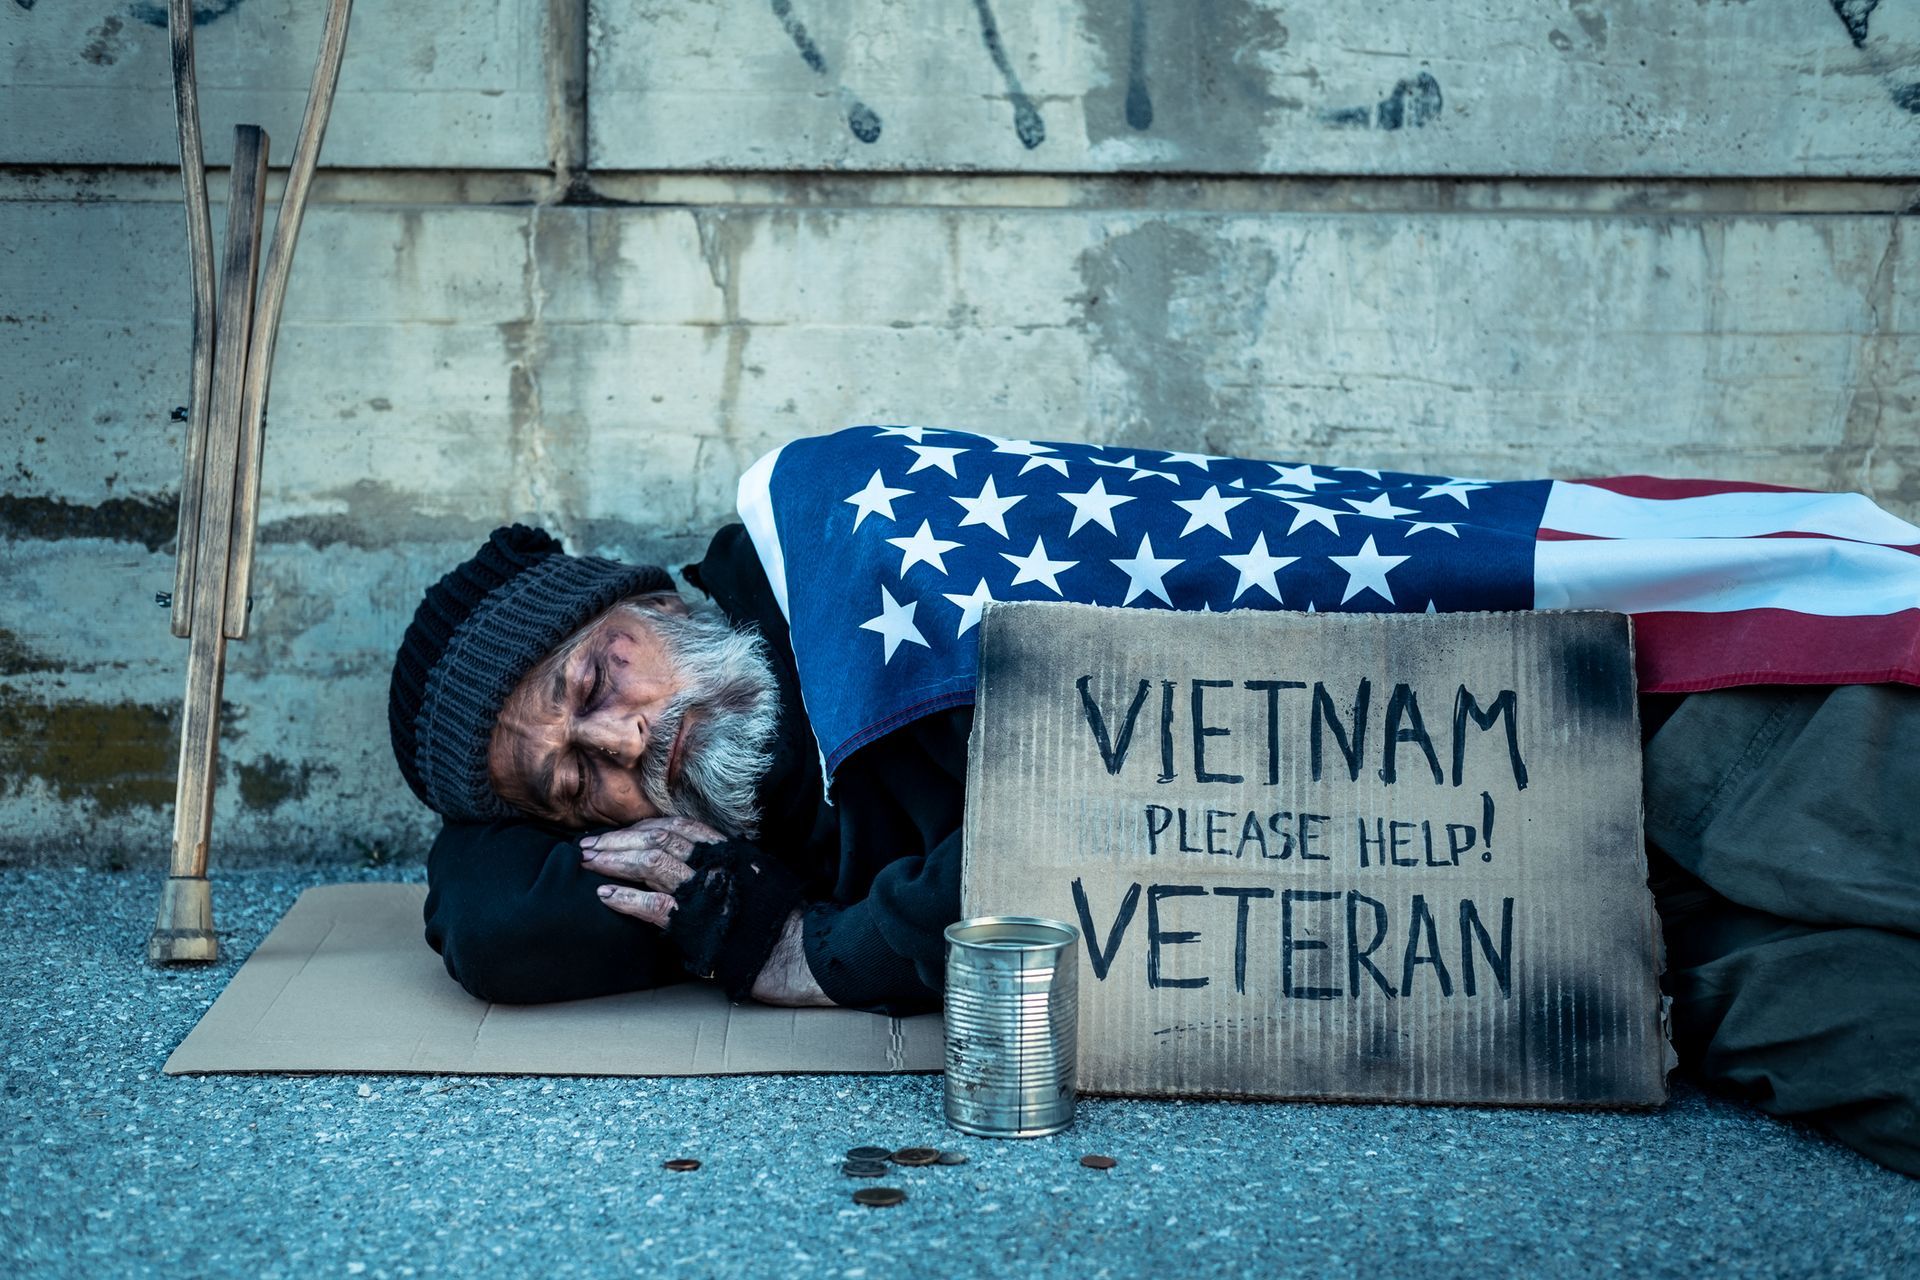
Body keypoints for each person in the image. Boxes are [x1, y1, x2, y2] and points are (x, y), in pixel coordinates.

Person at [387, 436, 1918, 1177]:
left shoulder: (839, 539)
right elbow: (485, 922)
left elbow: (1107, 804)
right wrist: (696, 890)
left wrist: (819, 954)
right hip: (1532, 936)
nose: (633, 744)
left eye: (601, 679)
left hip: (1631, 720)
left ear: (650, 598)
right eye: (573, 786)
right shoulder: (753, 826)